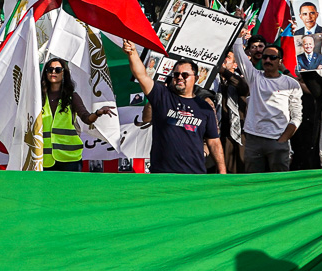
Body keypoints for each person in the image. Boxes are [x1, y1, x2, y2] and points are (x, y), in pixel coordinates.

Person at [123, 44, 224, 174]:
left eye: (185, 75)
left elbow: (214, 142)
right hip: (163, 174)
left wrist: (223, 174)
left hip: (194, 174)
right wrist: (132, 53)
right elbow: (141, 75)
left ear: (196, 79)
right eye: (176, 74)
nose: (180, 77)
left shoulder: (204, 107)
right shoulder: (162, 95)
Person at [224, 36, 303, 172]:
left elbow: (297, 116)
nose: (267, 60)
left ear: (280, 62)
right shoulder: (255, 77)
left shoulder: (291, 84)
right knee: (254, 182)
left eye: (272, 58)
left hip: (278, 141)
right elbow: (238, 51)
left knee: (279, 183)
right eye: (265, 57)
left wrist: (283, 139)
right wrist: (239, 30)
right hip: (254, 140)